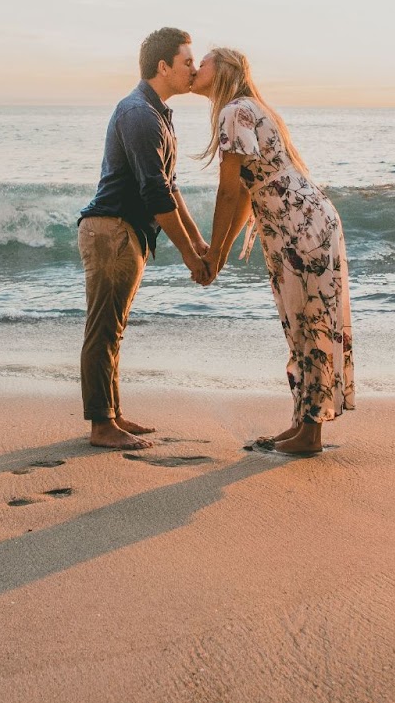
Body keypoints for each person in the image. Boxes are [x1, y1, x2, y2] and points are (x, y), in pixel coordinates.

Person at [194, 47, 354, 455]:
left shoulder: (236, 110)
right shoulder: (246, 108)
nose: (197, 67)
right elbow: (248, 193)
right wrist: (223, 251)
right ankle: (303, 422)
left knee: (310, 322)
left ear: (224, 71)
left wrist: (212, 254)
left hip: (299, 226)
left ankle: (311, 433)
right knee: (300, 322)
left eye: (204, 61)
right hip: (299, 223)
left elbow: (229, 191)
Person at [77, 28, 211, 450]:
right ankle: (101, 426)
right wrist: (190, 255)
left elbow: (170, 187)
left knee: (114, 328)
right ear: (163, 66)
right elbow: (155, 194)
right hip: (110, 230)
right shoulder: (138, 114)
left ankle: (111, 415)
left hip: (125, 232)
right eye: (188, 61)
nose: (194, 68)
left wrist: (198, 242)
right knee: (104, 328)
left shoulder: (156, 113)